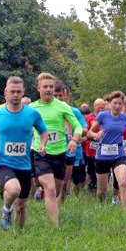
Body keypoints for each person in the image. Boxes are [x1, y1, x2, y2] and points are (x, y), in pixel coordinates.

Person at [0, 76, 48, 230]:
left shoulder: (32, 114)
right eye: (12, 91)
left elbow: (44, 132)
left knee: (21, 206)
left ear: (23, 92)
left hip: (24, 165)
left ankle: (18, 236)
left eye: (18, 92)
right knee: (14, 189)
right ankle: (6, 210)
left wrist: (43, 144)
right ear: (6, 92)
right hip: (3, 162)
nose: (15, 95)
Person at [31, 73, 83, 220]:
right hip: (41, 153)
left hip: (60, 154)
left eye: (51, 87)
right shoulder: (32, 108)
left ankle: (51, 209)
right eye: (45, 87)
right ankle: (55, 227)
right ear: (38, 88)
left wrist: (74, 139)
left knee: (57, 189)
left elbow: (78, 126)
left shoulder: (62, 106)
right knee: (51, 188)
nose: (48, 89)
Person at [88, 90, 126, 209]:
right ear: (109, 104)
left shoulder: (125, 118)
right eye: (115, 103)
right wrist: (95, 136)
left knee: (123, 183)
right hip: (102, 155)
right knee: (101, 190)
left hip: (119, 154)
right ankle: (102, 206)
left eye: (120, 104)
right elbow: (89, 133)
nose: (118, 106)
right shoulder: (103, 116)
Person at [55, 81, 87, 197]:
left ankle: (69, 201)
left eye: (61, 95)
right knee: (57, 180)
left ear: (67, 96)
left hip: (73, 151)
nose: (59, 98)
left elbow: (84, 128)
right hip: (54, 150)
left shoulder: (74, 111)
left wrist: (77, 136)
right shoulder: (49, 111)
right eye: (56, 95)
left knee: (73, 181)